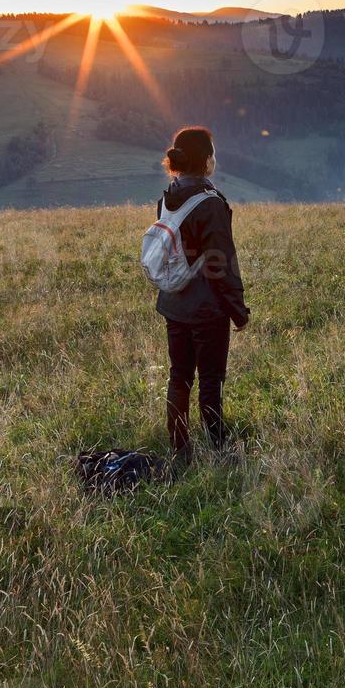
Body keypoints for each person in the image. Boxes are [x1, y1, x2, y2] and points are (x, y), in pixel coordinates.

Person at [155, 126, 250, 460]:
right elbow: (220, 264)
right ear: (206, 160)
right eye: (213, 152)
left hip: (173, 302)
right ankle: (220, 448)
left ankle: (180, 448)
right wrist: (238, 309)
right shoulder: (210, 204)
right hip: (207, 308)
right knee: (211, 379)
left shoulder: (168, 197)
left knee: (179, 375)